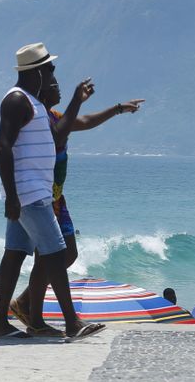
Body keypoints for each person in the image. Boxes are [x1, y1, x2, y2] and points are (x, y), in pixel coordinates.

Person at [9, 69, 144, 328]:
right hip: (41, 197)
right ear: (42, 92)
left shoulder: (56, 116)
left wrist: (117, 109)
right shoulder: (39, 120)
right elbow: (60, 133)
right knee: (54, 255)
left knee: (64, 254)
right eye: (54, 84)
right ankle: (34, 315)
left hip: (57, 198)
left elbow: (85, 121)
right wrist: (77, 99)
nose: (58, 88)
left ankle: (26, 305)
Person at [0, 43, 103, 340]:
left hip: (33, 192)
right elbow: (3, 147)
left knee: (15, 255)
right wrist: (12, 196)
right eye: (48, 68)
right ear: (35, 72)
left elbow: (57, 134)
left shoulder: (35, 104)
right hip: (28, 194)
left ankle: (0, 322)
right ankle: (72, 322)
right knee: (56, 252)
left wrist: (77, 101)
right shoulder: (16, 101)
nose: (52, 73)